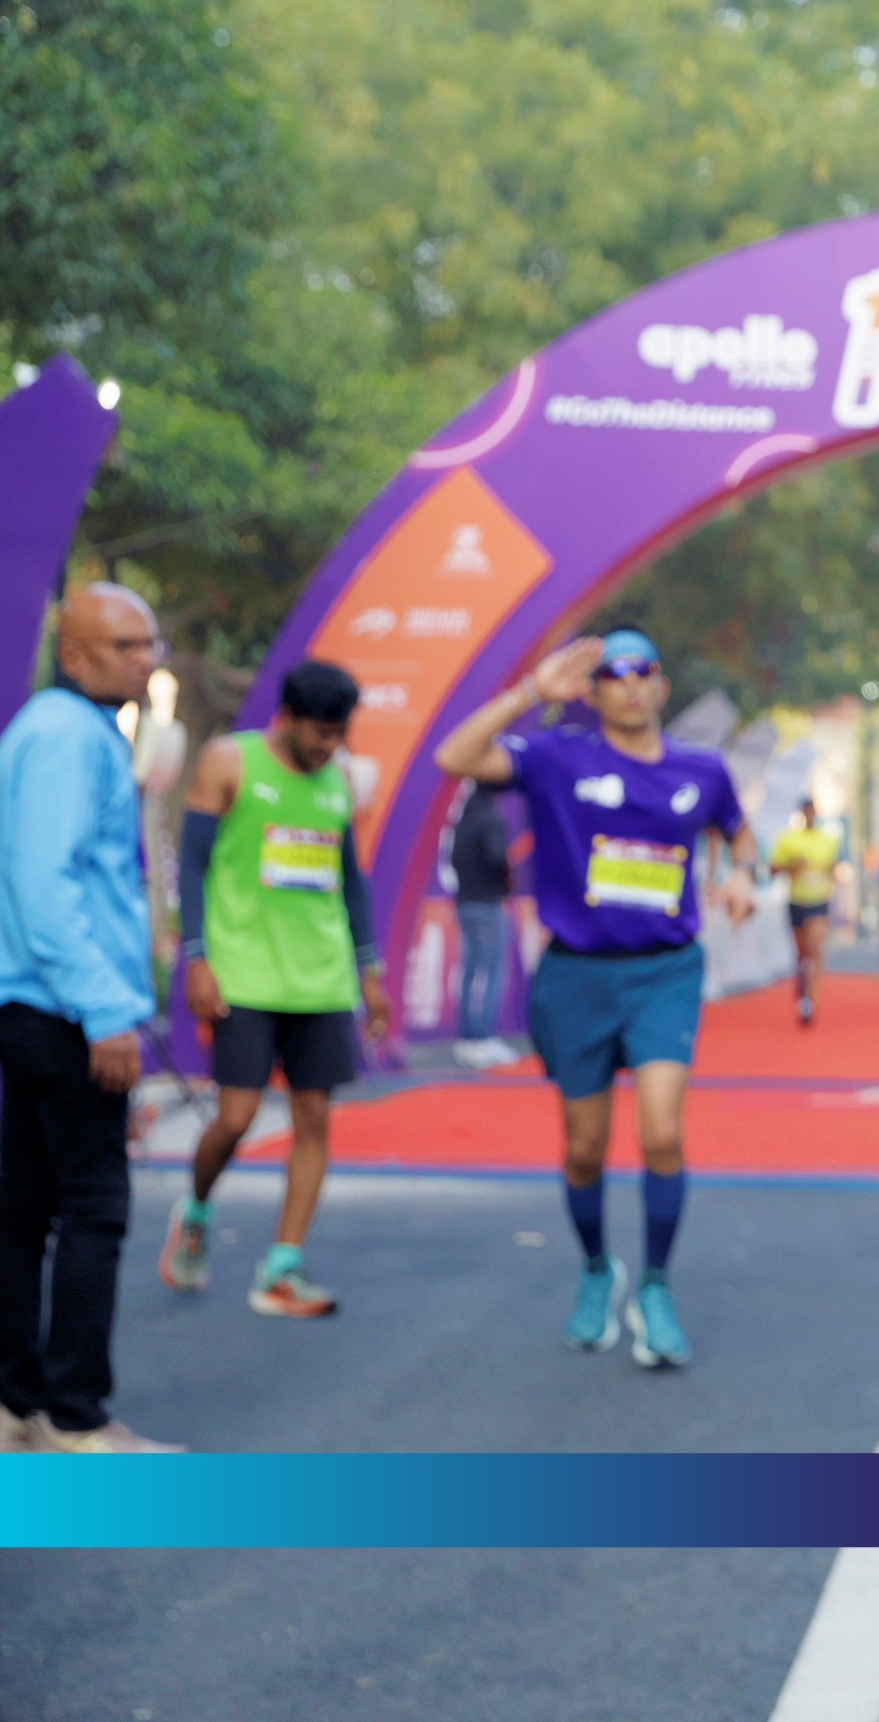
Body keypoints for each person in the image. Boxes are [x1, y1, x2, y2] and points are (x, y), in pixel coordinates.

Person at [433, 629, 756, 1370]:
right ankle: (594, 1270)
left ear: (661, 685)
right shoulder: (557, 756)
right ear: (594, 691)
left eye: (644, 671)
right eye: (613, 674)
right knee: (583, 1147)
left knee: (662, 1133)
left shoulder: (701, 770)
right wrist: (529, 694)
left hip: (665, 973)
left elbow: (738, 835)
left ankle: (656, 1287)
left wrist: (744, 872)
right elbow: (453, 757)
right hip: (576, 977)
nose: (630, 684)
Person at [0, 584, 179, 1452]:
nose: (145, 660)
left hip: (38, 1004)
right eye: (124, 646)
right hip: (66, 1011)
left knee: (23, 1211)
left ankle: (15, 1407)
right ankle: (76, 1416)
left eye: (150, 644)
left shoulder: (63, 730)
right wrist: (107, 1011)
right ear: (73, 654)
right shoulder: (69, 736)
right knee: (93, 1209)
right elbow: (45, 884)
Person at [162, 659, 393, 1317]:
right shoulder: (229, 762)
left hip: (321, 981)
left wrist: (369, 971)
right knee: (235, 1118)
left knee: (314, 1120)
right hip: (245, 976)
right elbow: (194, 866)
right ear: (287, 717)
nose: (329, 745)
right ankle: (197, 1208)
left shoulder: (339, 779)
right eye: (319, 732)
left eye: (339, 734)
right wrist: (197, 958)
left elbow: (350, 881)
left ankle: (282, 1267)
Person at [450, 778, 518, 1069]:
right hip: (487, 903)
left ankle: (468, 1036)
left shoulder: (464, 818)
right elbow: (497, 857)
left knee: (471, 970)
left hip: (465, 901)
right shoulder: (490, 818)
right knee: (491, 971)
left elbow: (453, 858)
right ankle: (482, 1037)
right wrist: (505, 880)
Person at [772, 799, 840, 1027]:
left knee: (815, 948)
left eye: (813, 812)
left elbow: (832, 869)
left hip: (819, 900)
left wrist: (833, 882)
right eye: (807, 812)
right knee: (802, 952)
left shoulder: (827, 840)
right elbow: (773, 869)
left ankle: (811, 1000)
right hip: (797, 900)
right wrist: (792, 866)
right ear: (802, 813)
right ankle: (802, 992)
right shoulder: (789, 838)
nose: (811, 816)